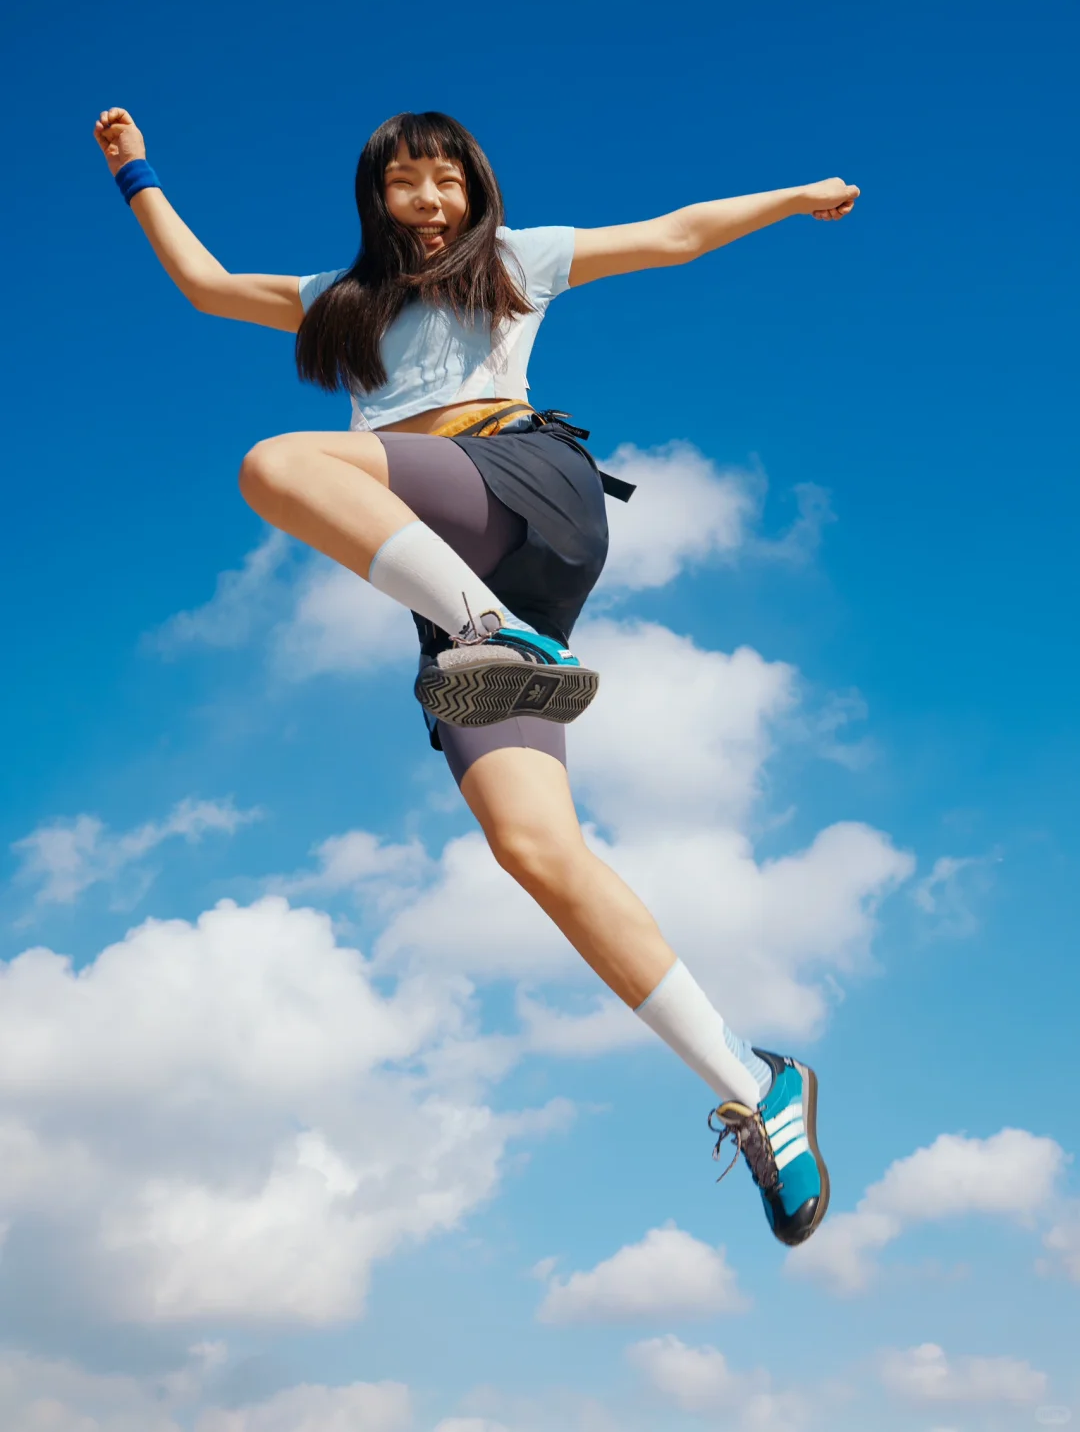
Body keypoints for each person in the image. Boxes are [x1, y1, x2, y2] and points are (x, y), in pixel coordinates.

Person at [94, 104, 859, 1247]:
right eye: (409, 184)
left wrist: (792, 197)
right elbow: (204, 283)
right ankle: (758, 1086)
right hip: (465, 590)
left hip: (524, 485)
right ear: (378, 199)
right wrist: (135, 171)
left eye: (448, 178)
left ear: (474, 188)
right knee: (534, 850)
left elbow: (675, 233)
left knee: (278, 460)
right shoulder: (335, 303)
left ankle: (484, 624)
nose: (433, 199)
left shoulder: (514, 262)